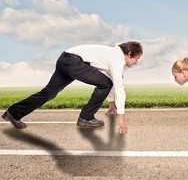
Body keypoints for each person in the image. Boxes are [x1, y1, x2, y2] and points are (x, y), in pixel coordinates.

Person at [2, 41, 143, 134]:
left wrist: (111, 105)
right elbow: (118, 87)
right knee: (105, 83)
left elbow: (114, 80)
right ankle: (85, 118)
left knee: (48, 93)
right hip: (74, 62)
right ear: (129, 53)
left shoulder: (112, 55)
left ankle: (13, 113)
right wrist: (122, 119)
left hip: (65, 59)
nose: (136, 63)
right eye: (136, 59)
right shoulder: (117, 59)